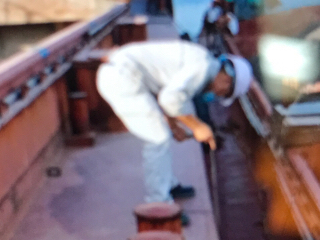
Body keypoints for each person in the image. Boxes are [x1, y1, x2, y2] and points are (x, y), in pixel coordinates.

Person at [96, 41, 253, 221]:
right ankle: (159, 205)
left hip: (127, 75)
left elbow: (166, 88)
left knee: (162, 132)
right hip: (121, 79)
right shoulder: (202, 70)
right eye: (223, 93)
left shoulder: (203, 61)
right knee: (157, 138)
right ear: (227, 80)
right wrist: (198, 126)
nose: (217, 95)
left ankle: (167, 185)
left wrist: (174, 125)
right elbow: (169, 99)